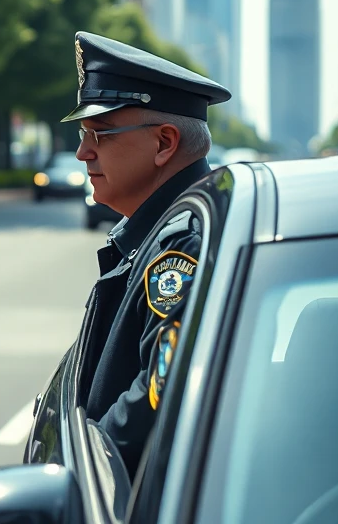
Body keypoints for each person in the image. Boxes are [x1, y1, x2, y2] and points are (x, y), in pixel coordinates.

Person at [61, 31, 231, 477]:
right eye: (83, 134)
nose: (83, 152)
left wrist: (84, 476)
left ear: (164, 144)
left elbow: (157, 395)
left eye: (100, 133)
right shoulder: (163, 229)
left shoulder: (183, 242)